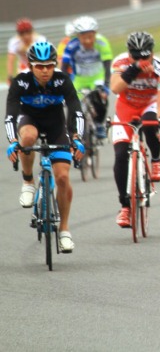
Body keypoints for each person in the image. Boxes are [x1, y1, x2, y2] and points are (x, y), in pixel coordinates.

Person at [5, 41, 85, 253]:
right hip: (29, 120)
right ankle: (28, 181)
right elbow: (10, 116)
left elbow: (76, 110)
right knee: (28, 138)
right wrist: (13, 142)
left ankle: (65, 231)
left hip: (56, 125)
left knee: (62, 177)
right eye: (39, 66)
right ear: (30, 66)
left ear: (54, 65)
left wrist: (78, 138)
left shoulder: (62, 80)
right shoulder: (21, 82)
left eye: (49, 65)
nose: (45, 71)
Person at [109, 32, 160, 228]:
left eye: (146, 56)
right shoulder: (120, 63)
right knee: (120, 154)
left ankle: (156, 161)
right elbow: (115, 88)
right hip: (126, 107)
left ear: (153, 53)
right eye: (136, 57)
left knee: (151, 122)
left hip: (149, 105)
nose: (142, 60)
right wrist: (134, 69)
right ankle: (125, 207)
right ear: (129, 54)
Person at [61, 16, 114, 139]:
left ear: (95, 34)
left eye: (91, 37)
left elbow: (107, 67)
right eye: (84, 37)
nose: (88, 41)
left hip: (97, 76)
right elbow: (64, 68)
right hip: (79, 79)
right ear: (78, 36)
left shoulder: (102, 43)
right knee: (72, 104)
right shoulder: (71, 46)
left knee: (101, 97)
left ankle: (99, 124)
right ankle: (71, 133)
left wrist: (106, 87)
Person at [6, 18, 46, 86]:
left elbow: (46, 57)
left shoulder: (40, 40)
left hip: (38, 63)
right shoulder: (14, 42)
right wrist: (10, 75)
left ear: (32, 31)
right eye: (22, 33)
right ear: (18, 34)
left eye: (28, 32)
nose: (26, 36)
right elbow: (10, 60)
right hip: (24, 65)